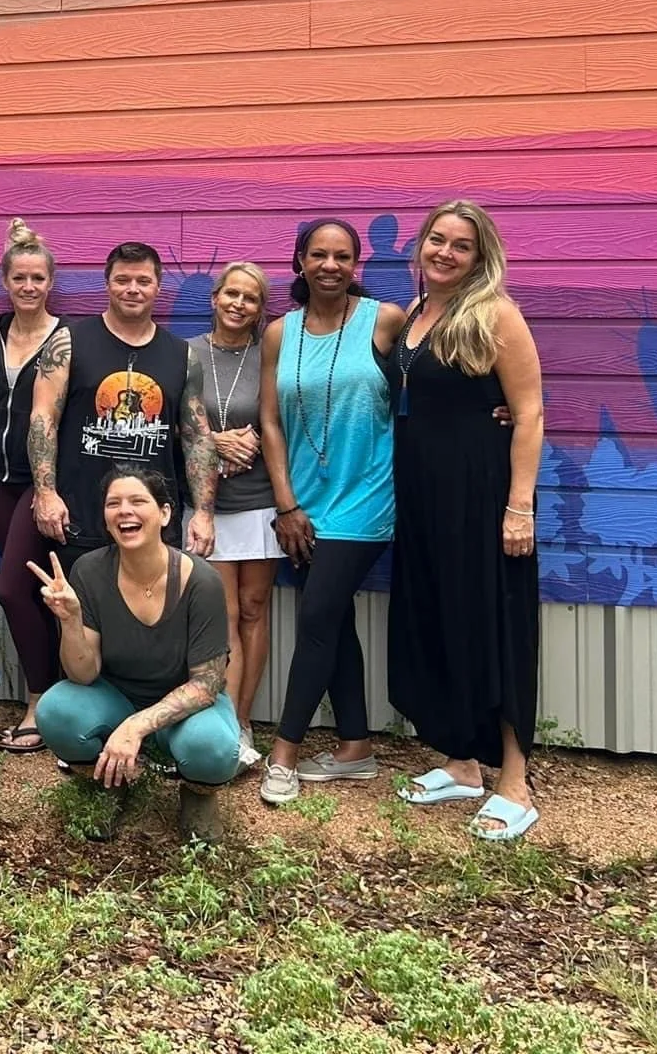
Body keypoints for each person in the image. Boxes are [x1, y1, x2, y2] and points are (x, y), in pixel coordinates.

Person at [386, 201, 547, 842]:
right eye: (436, 239)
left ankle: (515, 779)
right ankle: (461, 762)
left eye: (461, 245)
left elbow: (529, 411)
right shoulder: (417, 316)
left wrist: (519, 505)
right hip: (423, 497)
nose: (445, 252)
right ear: (421, 245)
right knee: (442, 618)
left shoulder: (496, 314)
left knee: (493, 627)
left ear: (481, 258)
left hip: (482, 498)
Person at [255, 219, 407, 806]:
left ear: (355, 264)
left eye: (342, 256)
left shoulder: (386, 320)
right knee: (335, 619)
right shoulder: (279, 333)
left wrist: (495, 409)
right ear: (299, 261)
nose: (330, 265)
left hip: (367, 495)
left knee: (317, 616)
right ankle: (354, 746)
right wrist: (285, 504)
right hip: (301, 502)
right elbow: (270, 420)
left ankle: (285, 753)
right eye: (318, 254)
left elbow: (450, 359)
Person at [30, 465, 239, 837]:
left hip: (184, 709)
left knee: (212, 747)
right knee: (56, 711)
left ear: (164, 513)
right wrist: (71, 620)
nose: (124, 510)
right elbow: (83, 674)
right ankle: (108, 783)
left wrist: (136, 726)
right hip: (116, 697)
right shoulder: (89, 571)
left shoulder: (201, 581)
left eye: (137, 501)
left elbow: (207, 685)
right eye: (114, 504)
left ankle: (198, 796)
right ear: (105, 519)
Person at [27, 242, 217, 567]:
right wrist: (45, 493)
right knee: (77, 616)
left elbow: (197, 439)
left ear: (158, 286)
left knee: (152, 616)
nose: (132, 289)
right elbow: (43, 419)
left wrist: (203, 512)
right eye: (122, 280)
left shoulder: (182, 356)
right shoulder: (69, 342)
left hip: (154, 521)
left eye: (143, 281)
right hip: (79, 519)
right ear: (107, 284)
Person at [0, 219, 66, 755]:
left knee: (14, 588)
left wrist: (48, 488)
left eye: (38, 278)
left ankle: (40, 702)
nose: (29, 286)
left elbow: (50, 417)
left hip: (42, 485)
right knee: (33, 592)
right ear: (6, 281)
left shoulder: (63, 338)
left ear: (50, 282)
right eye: (20, 278)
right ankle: (55, 698)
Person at [191, 263, 279, 771]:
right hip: (209, 505)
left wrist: (256, 442)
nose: (238, 304)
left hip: (261, 498)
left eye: (249, 297)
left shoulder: (270, 351)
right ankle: (222, 720)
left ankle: (243, 721)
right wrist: (214, 441)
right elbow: (175, 424)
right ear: (215, 298)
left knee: (253, 610)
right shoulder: (189, 354)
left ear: (258, 308)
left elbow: (285, 416)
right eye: (230, 294)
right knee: (222, 618)